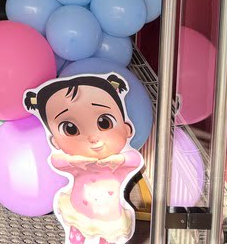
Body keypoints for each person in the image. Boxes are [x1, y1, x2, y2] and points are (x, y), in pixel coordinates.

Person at [25, 73, 144, 244]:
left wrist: (116, 161)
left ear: (126, 129)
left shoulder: (118, 162)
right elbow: (57, 161)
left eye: (104, 122)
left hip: (109, 215)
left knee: (108, 239)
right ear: (55, 141)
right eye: (70, 129)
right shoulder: (75, 163)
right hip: (78, 210)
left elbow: (134, 160)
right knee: (77, 239)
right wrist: (77, 161)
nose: (92, 137)